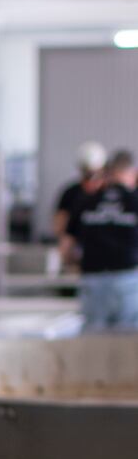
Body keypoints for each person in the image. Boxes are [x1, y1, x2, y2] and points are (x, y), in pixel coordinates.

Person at [66, 148, 138, 332]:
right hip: (127, 277)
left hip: (92, 276)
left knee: (93, 339)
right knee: (128, 341)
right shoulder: (134, 200)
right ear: (132, 173)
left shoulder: (88, 200)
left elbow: (67, 240)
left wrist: (70, 264)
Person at [53, 140, 106, 266]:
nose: (91, 180)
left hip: (104, 252)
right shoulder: (71, 193)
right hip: (76, 251)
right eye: (88, 175)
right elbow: (59, 224)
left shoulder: (108, 193)